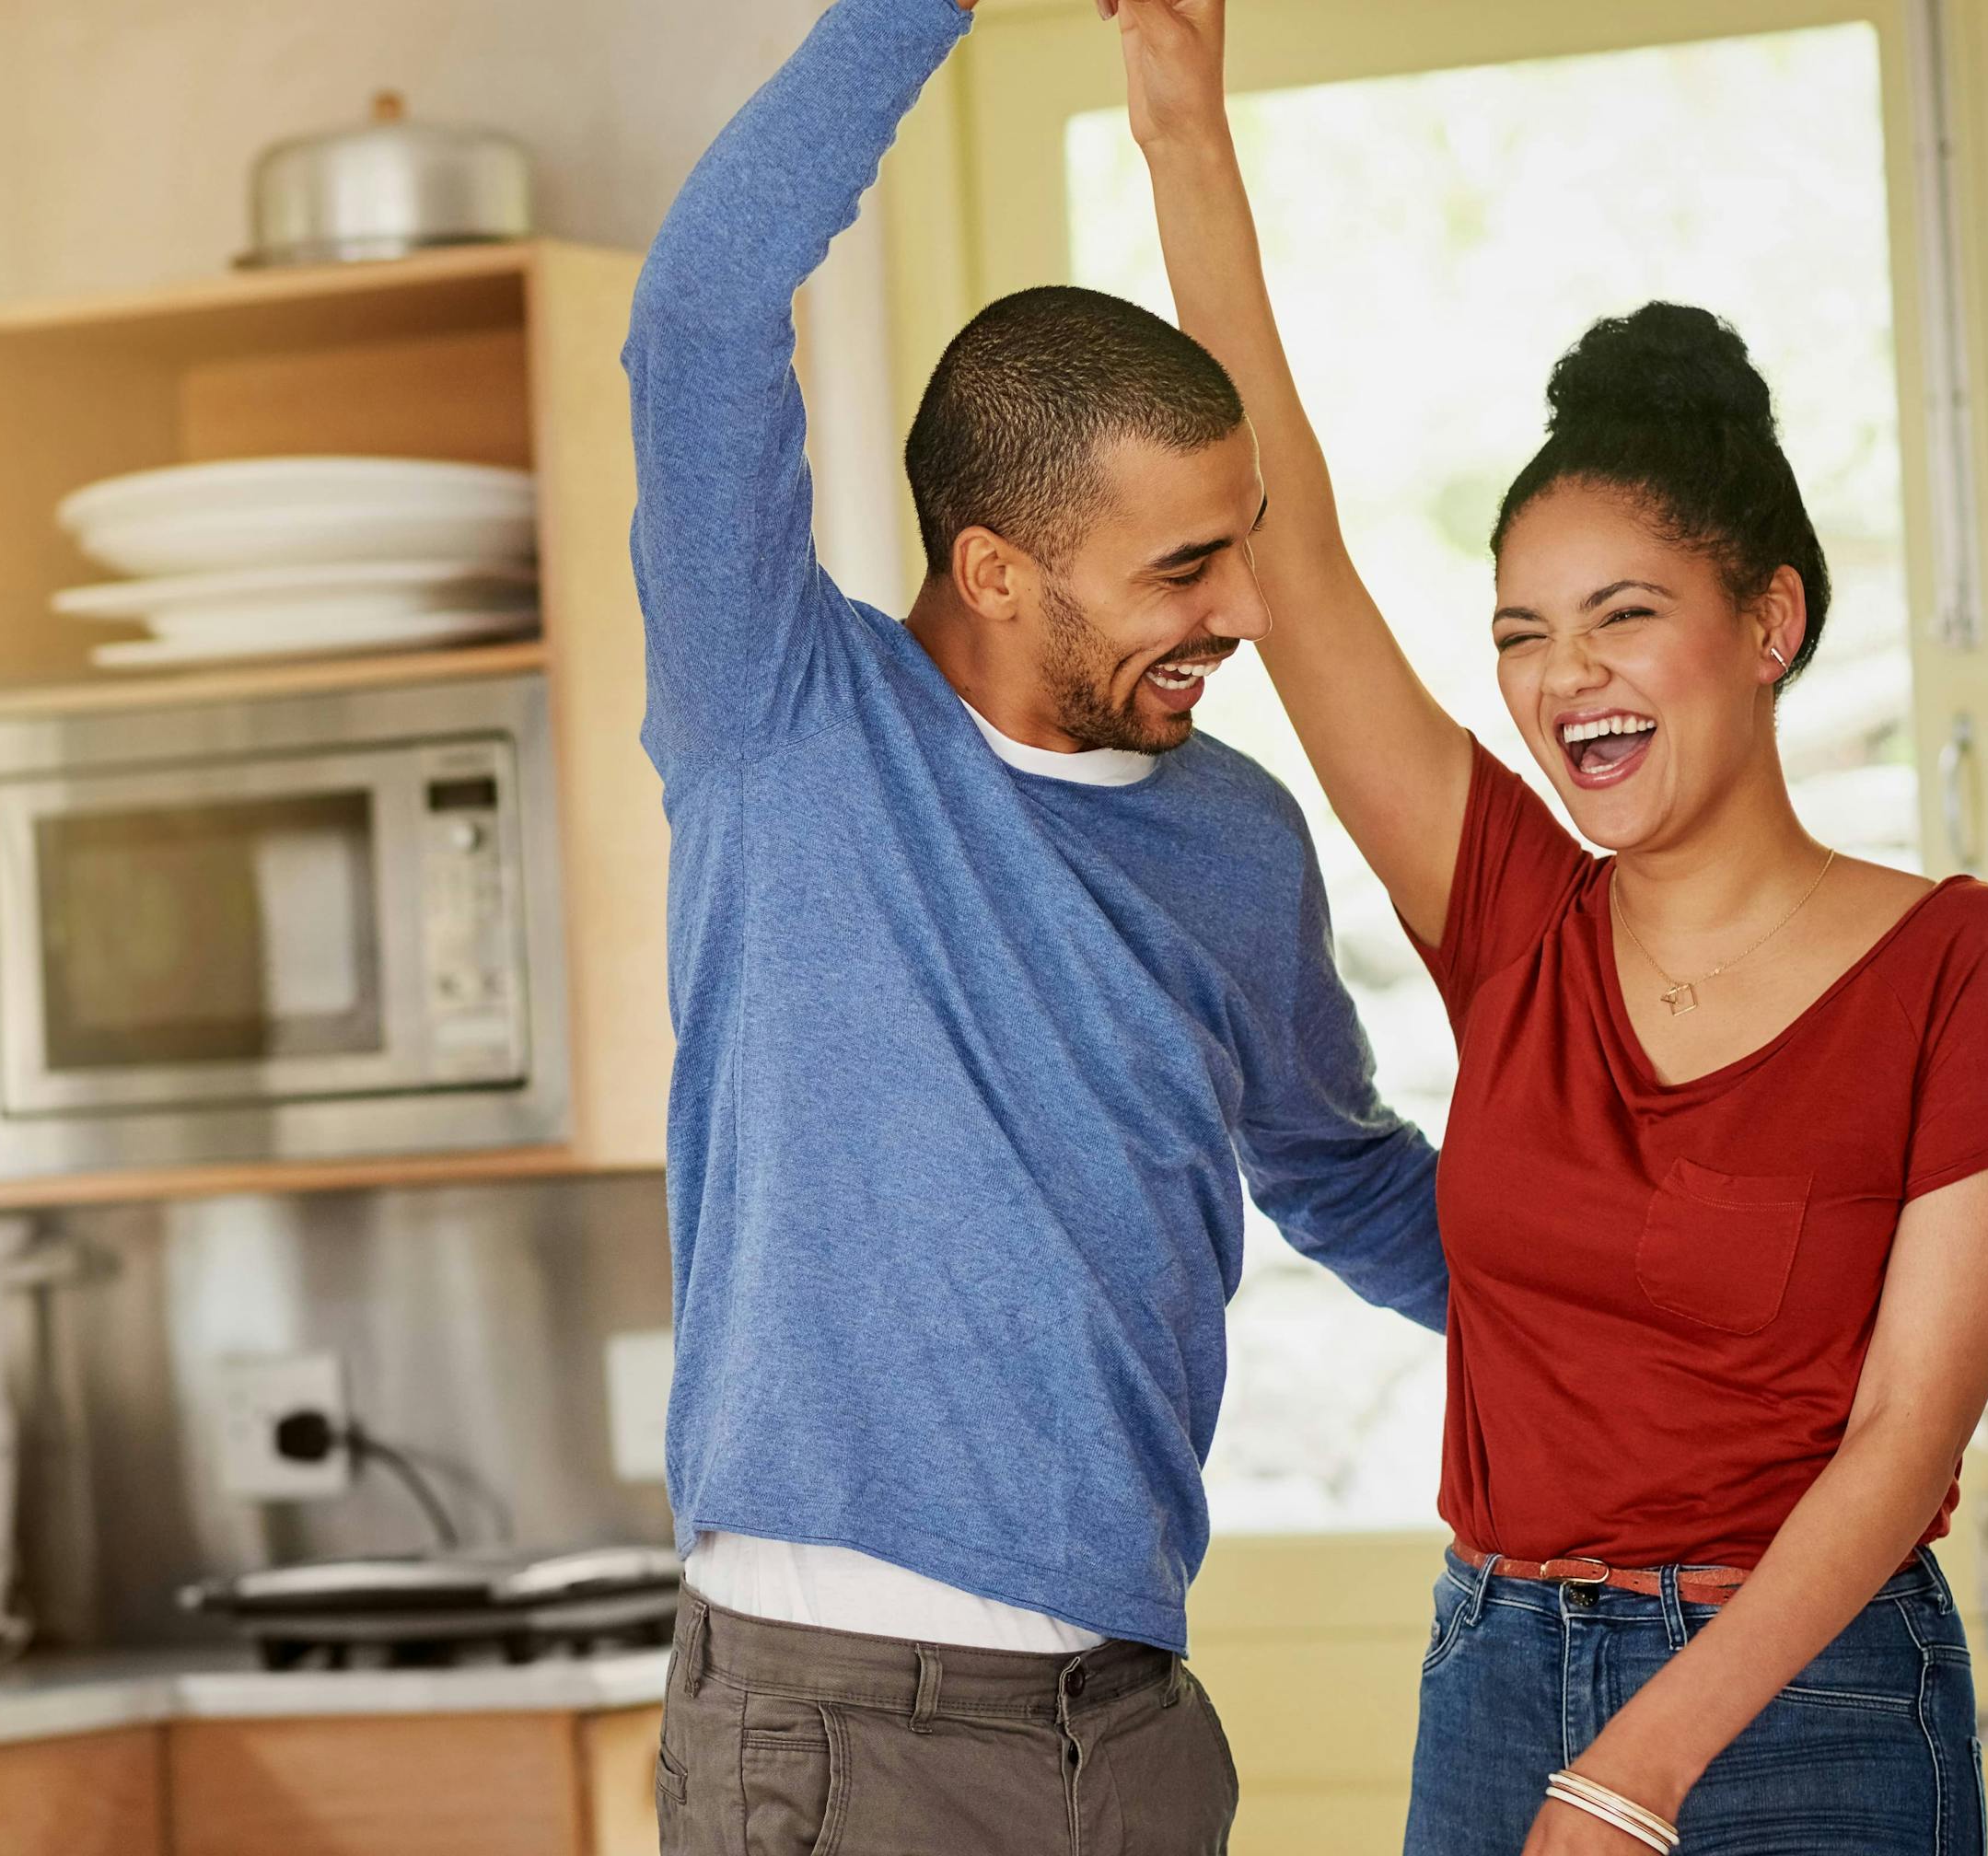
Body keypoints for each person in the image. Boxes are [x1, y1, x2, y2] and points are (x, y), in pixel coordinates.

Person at [1107, 5, 1988, 1852]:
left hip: (1813, 1705)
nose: (1566, 683)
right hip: (1494, 1673)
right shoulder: (1514, 919)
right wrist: (1182, 130)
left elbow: (1899, 1452)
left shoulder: (1974, 971)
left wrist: (1638, 1770)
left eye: (1623, 617)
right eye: (1521, 634)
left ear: (1773, 621)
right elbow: (1291, 549)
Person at [625, 0, 1451, 1848]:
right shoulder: (783, 723)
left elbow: (1349, 1180)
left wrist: (1668, 1315)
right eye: (1184, 567)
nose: (1246, 604)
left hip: (1135, 1729)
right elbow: (695, 314)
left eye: (1240, 542)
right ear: (994, 569)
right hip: (830, 1739)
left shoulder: (1237, 839)